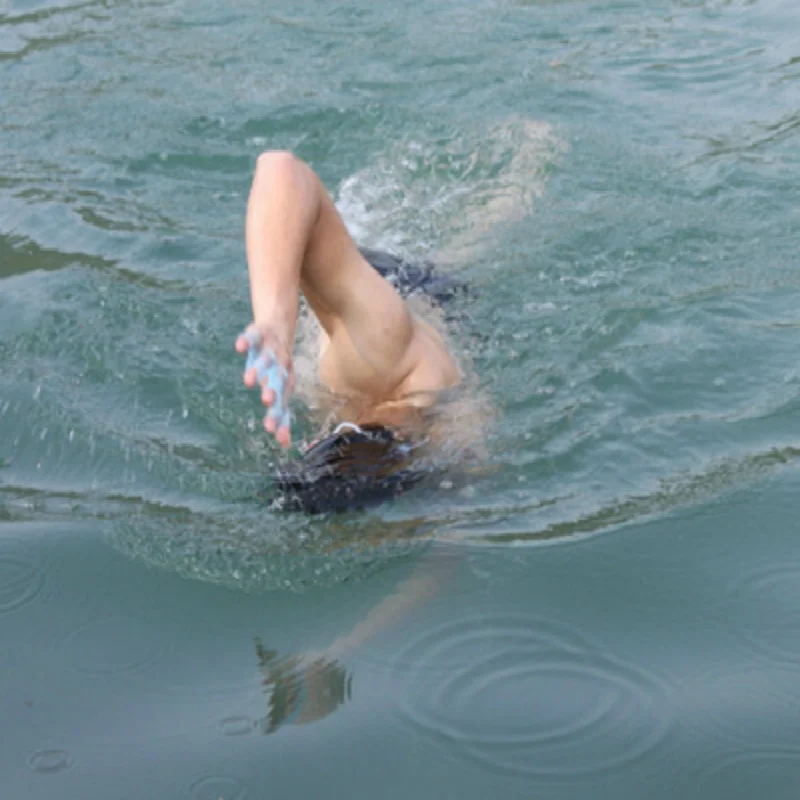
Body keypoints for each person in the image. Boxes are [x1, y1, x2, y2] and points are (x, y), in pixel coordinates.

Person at [235, 151, 461, 451]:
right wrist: (275, 320)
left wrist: (275, 326)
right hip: (407, 293)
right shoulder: (379, 357)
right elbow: (280, 169)